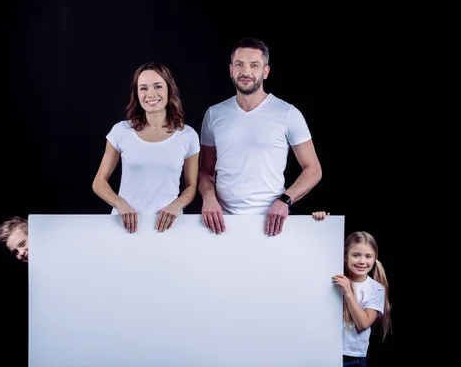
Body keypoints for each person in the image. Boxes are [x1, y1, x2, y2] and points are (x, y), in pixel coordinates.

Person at [199, 37, 322, 235]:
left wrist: (285, 201)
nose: (246, 72)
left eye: (254, 65)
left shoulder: (288, 113)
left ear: (265, 72)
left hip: (272, 223)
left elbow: (314, 170)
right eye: (239, 64)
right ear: (231, 69)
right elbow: (205, 171)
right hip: (222, 223)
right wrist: (209, 199)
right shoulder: (214, 114)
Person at [92, 62, 200, 233]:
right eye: (143, 88)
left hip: (169, 227)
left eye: (158, 86)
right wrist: (120, 204)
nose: (151, 94)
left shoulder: (188, 135)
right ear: (136, 94)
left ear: (169, 90)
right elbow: (99, 182)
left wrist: (176, 206)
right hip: (124, 226)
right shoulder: (121, 131)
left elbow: (191, 186)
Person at [312, 211, 392, 366]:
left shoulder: (376, 289)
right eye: (356, 255)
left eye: (368, 256)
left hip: (352, 357)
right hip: (322, 351)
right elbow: (317, 249)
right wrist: (320, 222)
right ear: (344, 256)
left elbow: (363, 323)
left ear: (374, 259)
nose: (362, 261)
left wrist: (348, 292)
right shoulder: (332, 278)